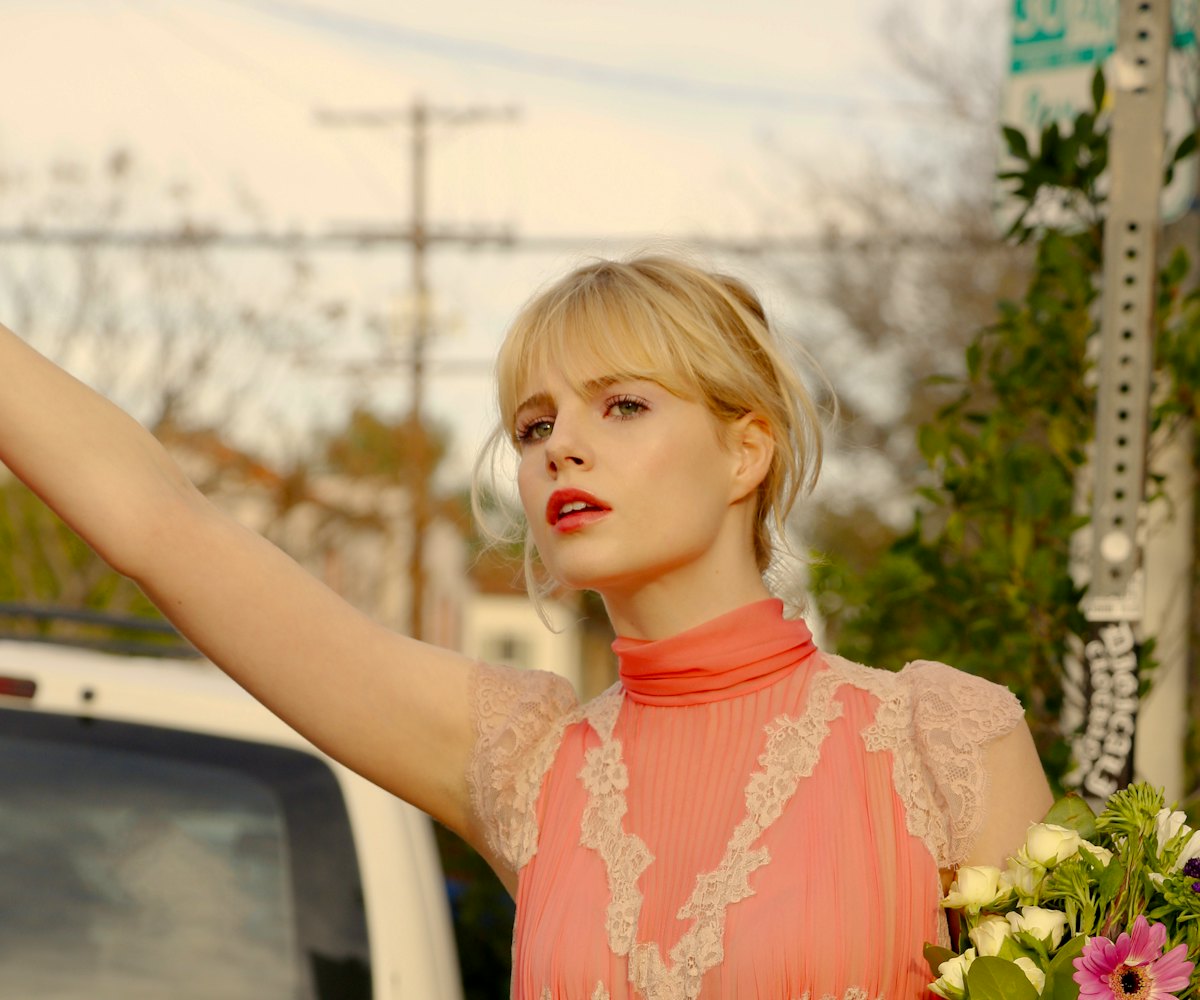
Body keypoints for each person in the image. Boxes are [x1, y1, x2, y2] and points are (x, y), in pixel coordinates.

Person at [0, 253, 1052, 999]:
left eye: (622, 405)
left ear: (747, 452)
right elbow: (164, 527)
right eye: (535, 424)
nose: (561, 449)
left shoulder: (942, 739)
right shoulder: (528, 761)